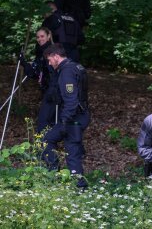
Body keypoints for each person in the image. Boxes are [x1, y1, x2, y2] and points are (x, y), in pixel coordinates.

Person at [41, 44, 90, 189]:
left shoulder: (67, 71)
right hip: (79, 115)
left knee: (71, 150)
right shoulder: (75, 67)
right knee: (51, 140)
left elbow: (71, 100)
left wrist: (64, 121)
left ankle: (78, 185)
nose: (49, 63)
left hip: (74, 118)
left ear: (56, 56)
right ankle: (64, 178)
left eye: (50, 60)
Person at [19, 27, 58, 133]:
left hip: (53, 92)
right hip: (47, 91)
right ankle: (49, 147)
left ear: (48, 36)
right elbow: (34, 73)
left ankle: (46, 147)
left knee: (43, 124)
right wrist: (23, 62)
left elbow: (55, 73)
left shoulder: (51, 51)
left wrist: (53, 92)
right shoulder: (42, 52)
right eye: (37, 37)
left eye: (42, 36)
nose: (40, 39)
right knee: (48, 123)